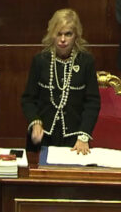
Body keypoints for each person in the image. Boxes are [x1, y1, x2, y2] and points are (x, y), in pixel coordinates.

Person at [21, 9, 100, 154]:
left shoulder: (86, 61)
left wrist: (83, 136)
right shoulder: (40, 60)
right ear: (52, 34)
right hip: (43, 137)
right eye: (59, 34)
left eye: (68, 34)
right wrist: (35, 122)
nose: (63, 39)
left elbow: (92, 103)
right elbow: (28, 99)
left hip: (75, 140)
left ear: (76, 35)